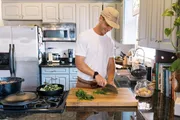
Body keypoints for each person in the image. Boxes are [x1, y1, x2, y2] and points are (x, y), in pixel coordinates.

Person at [75, 7, 120, 120]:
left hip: (102, 86)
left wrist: (110, 80)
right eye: (107, 24)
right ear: (100, 18)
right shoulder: (84, 36)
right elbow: (79, 63)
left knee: (102, 117)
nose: (109, 28)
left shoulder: (109, 41)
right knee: (83, 117)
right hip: (84, 85)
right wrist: (95, 74)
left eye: (111, 26)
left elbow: (111, 64)